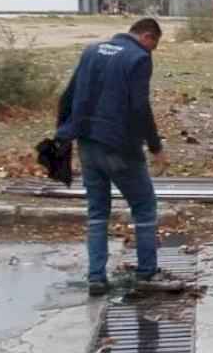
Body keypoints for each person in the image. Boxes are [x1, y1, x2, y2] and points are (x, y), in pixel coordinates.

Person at [55, 18, 169, 295]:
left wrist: (63, 139)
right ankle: (146, 273)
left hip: (87, 145)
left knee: (97, 211)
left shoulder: (91, 50)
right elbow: (140, 108)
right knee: (144, 206)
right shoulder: (138, 58)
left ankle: (96, 277)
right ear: (147, 37)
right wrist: (155, 147)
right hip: (118, 147)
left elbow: (66, 97)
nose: (152, 51)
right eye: (154, 45)